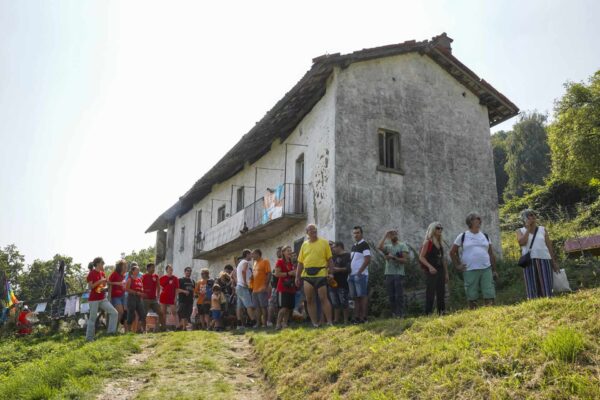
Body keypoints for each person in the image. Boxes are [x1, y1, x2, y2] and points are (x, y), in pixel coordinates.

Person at [450, 212, 498, 309]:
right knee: (471, 295)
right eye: (477, 218)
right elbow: (452, 252)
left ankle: (490, 313)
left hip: (486, 268)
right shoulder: (462, 236)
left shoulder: (485, 236)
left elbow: (491, 254)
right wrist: (457, 265)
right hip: (469, 269)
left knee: (489, 293)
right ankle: (474, 314)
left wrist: (494, 270)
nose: (479, 220)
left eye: (480, 219)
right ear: (470, 221)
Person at [294, 224, 334, 327]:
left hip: (321, 273)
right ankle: (315, 323)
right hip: (307, 275)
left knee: (323, 298)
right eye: (310, 230)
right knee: (309, 299)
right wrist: (297, 277)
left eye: (314, 229)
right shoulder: (304, 245)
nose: (313, 231)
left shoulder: (324, 242)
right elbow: (300, 263)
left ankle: (329, 322)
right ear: (307, 233)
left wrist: (331, 273)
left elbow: (330, 260)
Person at [516, 209, 560, 299]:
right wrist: (528, 229)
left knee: (546, 282)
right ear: (524, 219)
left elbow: (549, 246)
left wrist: (553, 262)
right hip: (529, 261)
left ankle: (548, 298)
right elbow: (522, 243)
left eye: (533, 215)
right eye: (529, 215)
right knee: (532, 283)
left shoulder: (542, 229)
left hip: (545, 259)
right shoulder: (520, 231)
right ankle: (534, 300)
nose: (532, 217)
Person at [378, 230, 409, 318]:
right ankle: (394, 314)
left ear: (397, 235)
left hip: (399, 274)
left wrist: (393, 257)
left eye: (394, 234)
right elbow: (379, 247)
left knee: (399, 295)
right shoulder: (388, 247)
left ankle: (401, 314)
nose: (393, 236)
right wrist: (385, 235)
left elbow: (405, 260)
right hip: (388, 273)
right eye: (390, 235)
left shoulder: (402, 245)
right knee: (391, 295)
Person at [86, 257, 118, 341]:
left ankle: (111, 333)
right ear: (97, 264)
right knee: (92, 319)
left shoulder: (102, 273)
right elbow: (91, 287)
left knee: (114, 313)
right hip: (93, 299)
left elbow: (102, 286)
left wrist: (104, 287)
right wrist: (100, 281)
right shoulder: (91, 274)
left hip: (103, 298)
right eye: (102, 263)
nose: (103, 264)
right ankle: (89, 338)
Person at [419, 222, 448, 315]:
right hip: (431, 271)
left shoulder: (440, 243)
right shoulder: (428, 242)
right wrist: (430, 267)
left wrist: (446, 273)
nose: (440, 230)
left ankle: (442, 312)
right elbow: (421, 257)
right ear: (432, 229)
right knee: (430, 292)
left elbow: (443, 259)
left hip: (440, 270)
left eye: (441, 228)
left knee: (441, 292)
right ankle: (428, 314)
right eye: (437, 228)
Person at [349, 226, 371, 324]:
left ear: (361, 234)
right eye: (354, 233)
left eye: (357, 233)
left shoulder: (364, 244)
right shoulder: (354, 245)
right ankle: (356, 318)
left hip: (361, 275)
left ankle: (364, 318)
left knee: (362, 296)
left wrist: (359, 271)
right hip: (352, 275)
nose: (355, 235)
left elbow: (367, 259)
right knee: (355, 297)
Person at [328, 242, 351, 324]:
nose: (332, 249)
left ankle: (346, 321)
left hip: (343, 282)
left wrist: (338, 269)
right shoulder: (333, 257)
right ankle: (336, 320)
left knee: (344, 302)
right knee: (335, 303)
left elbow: (348, 269)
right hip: (332, 283)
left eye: (334, 247)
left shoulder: (347, 255)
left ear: (339, 247)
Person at [274, 245, 297, 329]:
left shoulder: (291, 262)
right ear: (283, 252)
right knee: (283, 307)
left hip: (291, 287)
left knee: (289, 308)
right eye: (288, 250)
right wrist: (289, 273)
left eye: (290, 250)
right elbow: (277, 274)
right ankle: (278, 324)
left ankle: (284, 324)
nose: (290, 252)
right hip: (282, 287)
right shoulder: (280, 262)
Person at [159, 264, 188, 329]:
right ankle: (163, 326)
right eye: (169, 269)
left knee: (174, 312)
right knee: (163, 312)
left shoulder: (175, 278)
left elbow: (177, 289)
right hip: (163, 297)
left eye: (172, 269)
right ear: (166, 270)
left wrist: (175, 298)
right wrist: (159, 294)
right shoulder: (162, 278)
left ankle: (177, 326)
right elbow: (159, 287)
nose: (171, 270)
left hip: (172, 298)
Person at [236, 250, 257, 329]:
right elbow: (243, 271)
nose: (251, 256)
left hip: (238, 286)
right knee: (249, 305)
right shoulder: (245, 262)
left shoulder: (239, 263)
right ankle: (253, 322)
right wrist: (245, 282)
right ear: (247, 254)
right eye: (250, 254)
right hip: (243, 286)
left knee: (239, 306)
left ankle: (239, 324)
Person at [251, 249, 272, 328]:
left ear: (257, 254)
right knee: (256, 307)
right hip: (254, 289)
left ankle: (265, 324)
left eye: (253, 254)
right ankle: (258, 323)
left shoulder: (265, 261)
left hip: (262, 288)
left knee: (264, 306)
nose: (252, 256)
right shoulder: (255, 263)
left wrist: (265, 286)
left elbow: (269, 274)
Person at [142, 263, 165, 332]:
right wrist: (142, 294)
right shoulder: (144, 276)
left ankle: (163, 328)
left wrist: (158, 295)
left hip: (154, 299)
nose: (154, 269)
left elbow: (158, 286)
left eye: (154, 267)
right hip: (145, 299)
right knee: (144, 314)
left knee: (160, 312)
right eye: (152, 267)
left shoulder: (156, 276)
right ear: (148, 269)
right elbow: (140, 286)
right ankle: (144, 330)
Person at [125, 264, 147, 333]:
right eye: (137, 270)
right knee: (131, 314)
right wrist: (136, 292)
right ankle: (129, 331)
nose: (138, 271)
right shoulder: (129, 279)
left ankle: (143, 330)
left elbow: (141, 288)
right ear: (133, 271)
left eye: (139, 270)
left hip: (139, 298)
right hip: (131, 298)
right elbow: (126, 289)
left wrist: (142, 293)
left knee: (142, 314)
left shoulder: (139, 280)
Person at [108, 259, 127, 331]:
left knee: (121, 313)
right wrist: (117, 283)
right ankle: (113, 330)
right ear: (120, 266)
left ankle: (115, 329)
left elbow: (122, 284)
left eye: (126, 266)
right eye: (124, 266)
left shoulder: (123, 275)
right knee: (120, 312)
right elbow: (108, 282)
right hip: (115, 296)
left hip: (122, 295)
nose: (126, 267)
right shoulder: (114, 273)